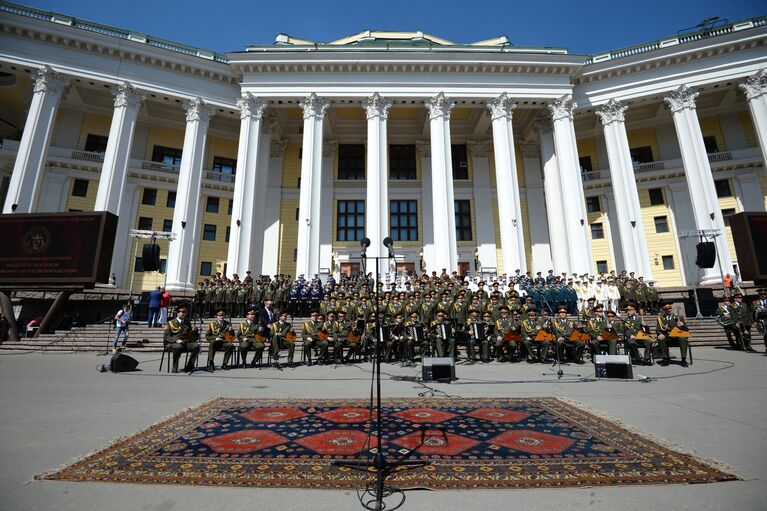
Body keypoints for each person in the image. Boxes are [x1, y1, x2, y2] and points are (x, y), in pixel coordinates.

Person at [163, 306, 200, 373]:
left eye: (186, 312)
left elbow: (191, 337)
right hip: (172, 343)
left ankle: (190, 366)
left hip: (184, 342)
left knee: (196, 346)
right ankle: (175, 367)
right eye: (183, 312)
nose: (185, 314)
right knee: (178, 347)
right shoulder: (170, 323)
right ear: (177, 313)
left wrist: (195, 331)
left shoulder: (187, 323)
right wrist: (176, 340)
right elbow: (166, 336)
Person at [656, 302, 690, 367]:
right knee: (661, 339)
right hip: (668, 338)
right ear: (664, 310)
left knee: (683, 338)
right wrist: (660, 334)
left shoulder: (678, 317)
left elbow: (686, 330)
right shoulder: (660, 318)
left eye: (670, 309)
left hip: (677, 337)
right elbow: (658, 329)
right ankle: (665, 359)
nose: (669, 310)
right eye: (667, 309)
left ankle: (683, 360)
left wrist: (682, 325)